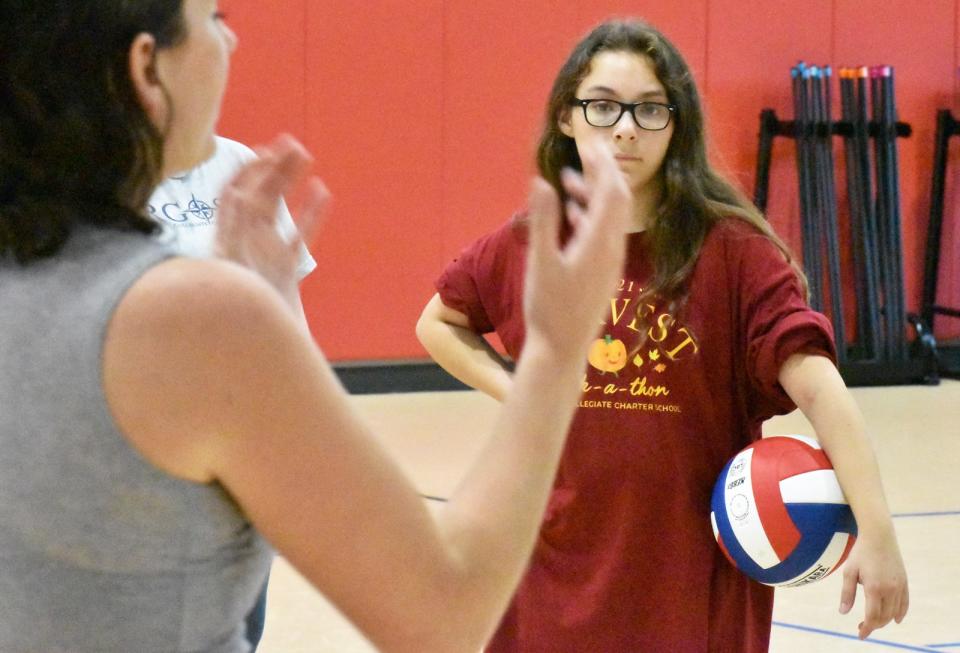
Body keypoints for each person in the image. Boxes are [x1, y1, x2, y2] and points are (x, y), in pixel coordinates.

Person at [0, 3, 633, 653]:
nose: (232, 38)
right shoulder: (191, 321)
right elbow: (441, 617)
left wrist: (256, 333)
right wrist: (555, 352)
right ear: (146, 69)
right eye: (214, 18)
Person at [416, 18, 909, 652]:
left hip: (688, 585)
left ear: (676, 126)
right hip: (548, 572)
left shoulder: (734, 254)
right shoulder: (527, 245)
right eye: (603, 106)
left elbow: (821, 390)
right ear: (567, 117)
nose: (624, 127)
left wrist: (878, 529)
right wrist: (516, 394)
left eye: (650, 109)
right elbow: (438, 322)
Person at [149, 134, 316, 649]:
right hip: (150, 438)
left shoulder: (236, 164)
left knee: (238, 623)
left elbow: (283, 302)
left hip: (243, 438)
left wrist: (305, 412)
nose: (229, 48)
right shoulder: (95, 169)